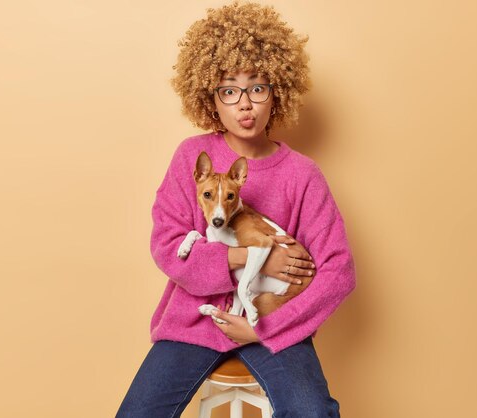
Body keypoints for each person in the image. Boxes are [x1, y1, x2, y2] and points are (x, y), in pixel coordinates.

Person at [115, 2, 356, 417]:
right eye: (230, 90)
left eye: (257, 88)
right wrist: (249, 258)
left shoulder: (303, 174)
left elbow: (338, 271)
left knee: (314, 412)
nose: (245, 104)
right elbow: (168, 244)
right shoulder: (192, 156)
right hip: (193, 322)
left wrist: (267, 327)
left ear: (276, 91)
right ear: (211, 96)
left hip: (271, 325)